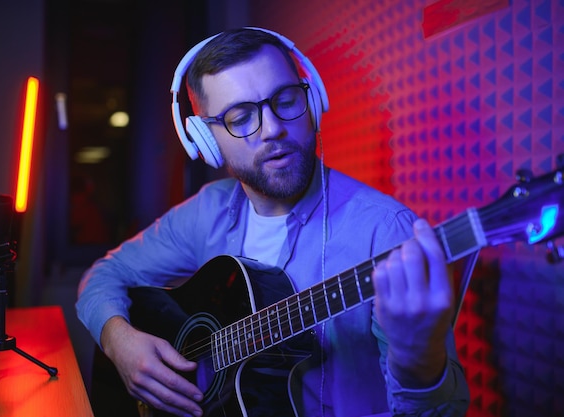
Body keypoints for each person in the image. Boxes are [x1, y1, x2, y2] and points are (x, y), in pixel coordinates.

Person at [76, 27, 470, 417]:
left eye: (285, 99)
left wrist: (419, 357)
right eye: (241, 116)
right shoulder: (209, 211)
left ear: (312, 100)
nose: (274, 128)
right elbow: (104, 275)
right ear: (207, 140)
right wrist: (118, 339)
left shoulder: (386, 234)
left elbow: (442, 412)